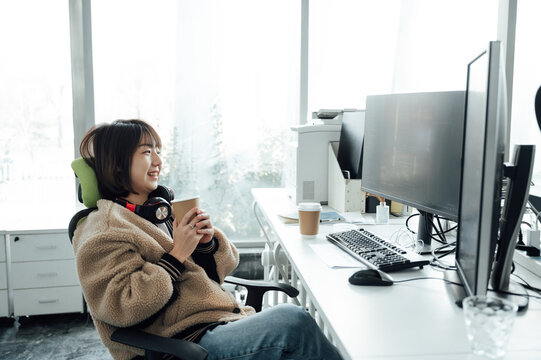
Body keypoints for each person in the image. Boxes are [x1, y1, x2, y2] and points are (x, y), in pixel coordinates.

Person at [72, 119, 343, 360]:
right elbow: (123, 306)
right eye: (146, 152)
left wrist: (205, 244)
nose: (157, 161)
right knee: (292, 322)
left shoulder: (154, 211)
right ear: (118, 165)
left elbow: (215, 274)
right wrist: (176, 255)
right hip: (180, 345)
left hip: (216, 323)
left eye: (158, 151)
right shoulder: (104, 230)